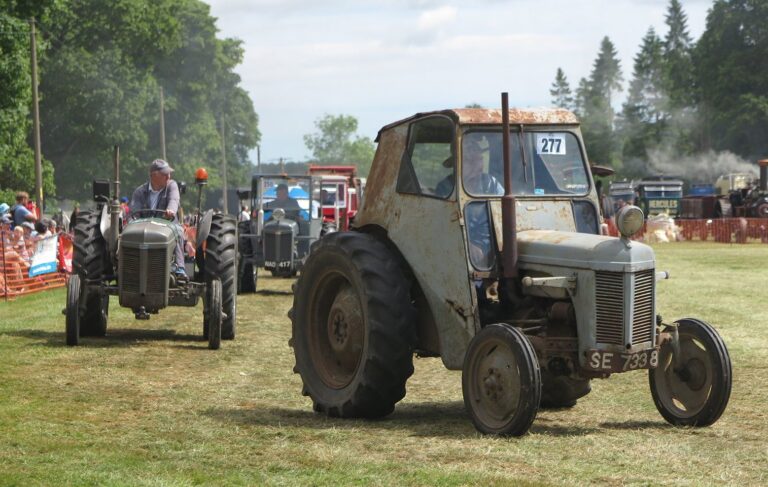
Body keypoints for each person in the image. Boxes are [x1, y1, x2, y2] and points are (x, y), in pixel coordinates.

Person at [129, 159, 185, 277]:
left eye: (169, 173)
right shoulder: (139, 192)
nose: (168, 176)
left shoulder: (171, 186)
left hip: (167, 225)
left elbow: (174, 200)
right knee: (128, 232)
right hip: (144, 228)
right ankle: (129, 265)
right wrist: (132, 221)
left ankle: (180, 267)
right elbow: (134, 213)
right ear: (154, 175)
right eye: (165, 174)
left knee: (178, 231)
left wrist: (171, 210)